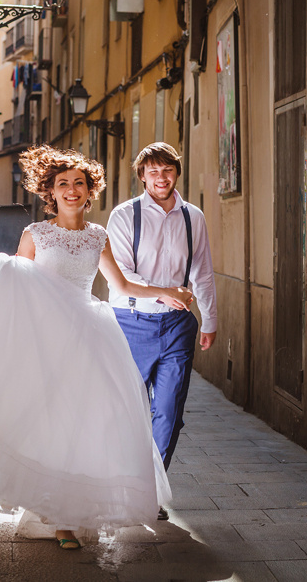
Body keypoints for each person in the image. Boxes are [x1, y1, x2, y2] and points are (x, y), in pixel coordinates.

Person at [0, 145, 188, 550]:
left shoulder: (98, 236)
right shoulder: (36, 234)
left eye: (79, 184)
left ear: (90, 191)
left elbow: (121, 286)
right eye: (63, 184)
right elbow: (14, 288)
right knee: (42, 422)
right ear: (50, 191)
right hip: (43, 341)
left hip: (87, 339)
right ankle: (44, 508)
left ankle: (66, 518)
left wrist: (165, 292)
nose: (71, 190)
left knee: (77, 424)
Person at [107, 142, 217, 520]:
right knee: (128, 409)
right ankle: (119, 483)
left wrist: (211, 319)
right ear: (142, 176)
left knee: (168, 410)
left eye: (167, 170)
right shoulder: (124, 216)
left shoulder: (193, 217)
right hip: (130, 322)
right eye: (153, 171)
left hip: (178, 327)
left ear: (176, 173)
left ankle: (148, 494)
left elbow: (202, 269)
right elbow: (121, 276)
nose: (161, 177)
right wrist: (164, 296)